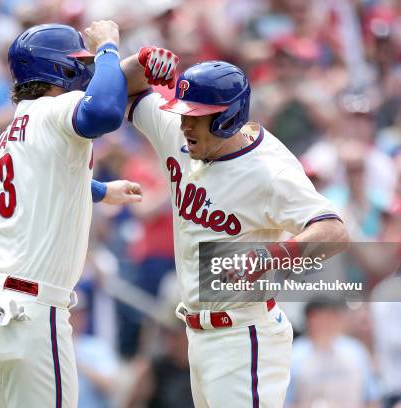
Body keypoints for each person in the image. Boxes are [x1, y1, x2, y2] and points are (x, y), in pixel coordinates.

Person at [120, 48, 349, 407]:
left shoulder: (268, 170)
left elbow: (334, 231)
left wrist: (271, 255)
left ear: (228, 117)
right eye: (183, 114)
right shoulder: (182, 136)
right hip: (197, 335)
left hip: (244, 337)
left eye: (197, 117)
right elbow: (125, 90)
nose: (184, 124)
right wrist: (141, 62)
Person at [0, 21, 140, 408]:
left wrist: (100, 190)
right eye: (80, 61)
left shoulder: (11, 129)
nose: (86, 68)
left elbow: (40, 184)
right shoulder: (55, 108)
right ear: (59, 68)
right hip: (29, 312)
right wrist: (109, 47)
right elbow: (106, 113)